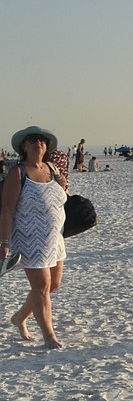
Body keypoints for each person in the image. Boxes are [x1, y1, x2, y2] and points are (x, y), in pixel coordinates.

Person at [0, 126, 68, 349]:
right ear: (24, 147)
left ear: (47, 146)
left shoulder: (52, 168)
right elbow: (7, 209)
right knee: (41, 286)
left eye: (41, 140)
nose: (37, 143)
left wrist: (63, 185)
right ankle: (49, 335)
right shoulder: (18, 173)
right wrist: (5, 242)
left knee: (53, 284)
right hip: (30, 238)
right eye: (32, 140)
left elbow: (60, 197)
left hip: (54, 238)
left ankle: (19, 317)